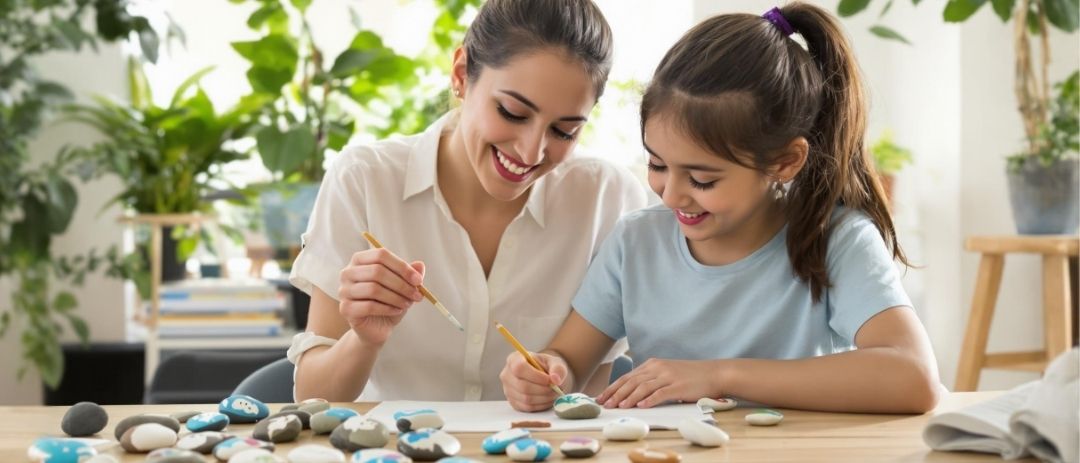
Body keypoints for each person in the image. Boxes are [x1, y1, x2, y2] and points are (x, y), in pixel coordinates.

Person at [499, 2, 943, 414]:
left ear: (785, 162)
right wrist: (546, 370)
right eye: (657, 164)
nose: (671, 194)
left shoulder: (836, 240)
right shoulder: (636, 242)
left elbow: (914, 377)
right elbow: (569, 359)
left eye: (702, 180)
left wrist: (717, 375)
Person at [288, 0, 647, 402]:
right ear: (461, 75)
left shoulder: (608, 198)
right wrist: (364, 340)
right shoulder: (365, 180)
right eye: (512, 112)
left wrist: (556, 380)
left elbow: (584, 401)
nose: (531, 153)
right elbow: (312, 397)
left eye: (564, 131)